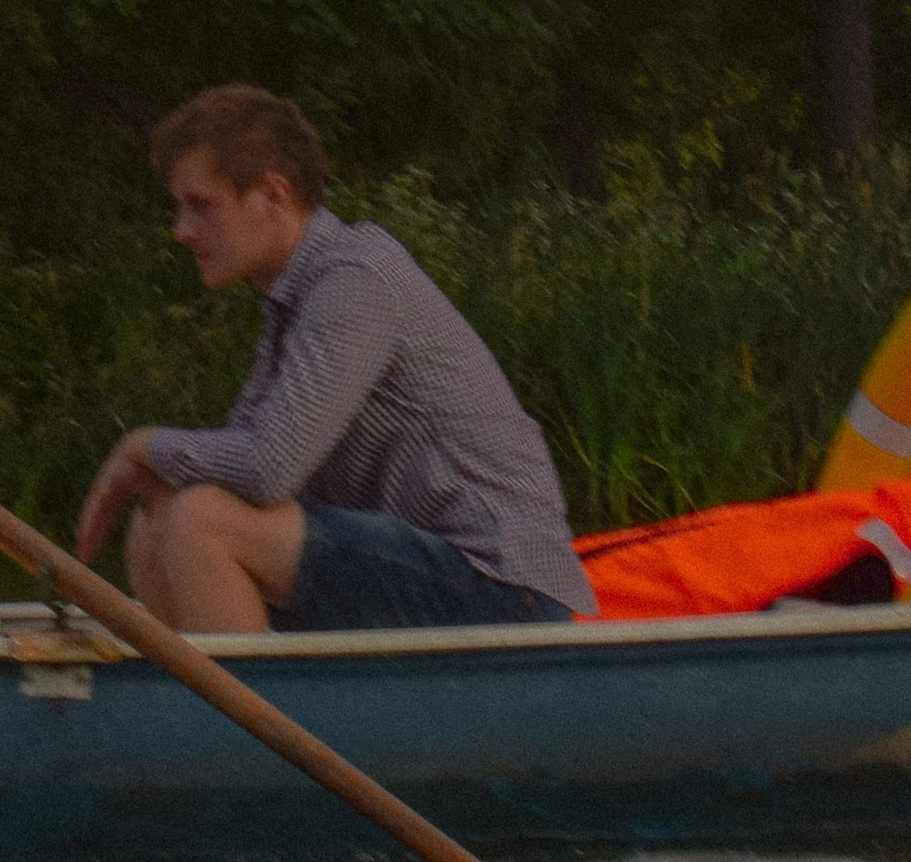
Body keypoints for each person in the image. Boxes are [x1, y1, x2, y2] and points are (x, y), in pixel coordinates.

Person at [73, 86, 591, 634]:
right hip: (431, 574)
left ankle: (251, 714)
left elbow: (269, 468)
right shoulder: (292, 304)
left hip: (503, 589)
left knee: (202, 520)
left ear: (274, 194)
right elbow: (244, 464)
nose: (181, 230)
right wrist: (161, 471)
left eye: (202, 205)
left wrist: (145, 445)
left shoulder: (354, 281)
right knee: (162, 516)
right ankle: (219, 706)